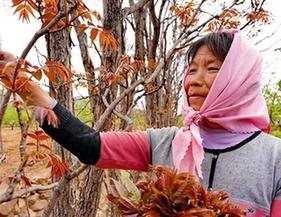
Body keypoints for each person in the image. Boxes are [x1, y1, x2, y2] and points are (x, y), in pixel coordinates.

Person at [0, 29, 281, 216]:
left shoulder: (275, 158)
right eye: (192, 68)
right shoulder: (166, 142)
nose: (194, 80)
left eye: (212, 69)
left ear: (240, 78)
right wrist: (22, 84)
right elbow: (88, 145)